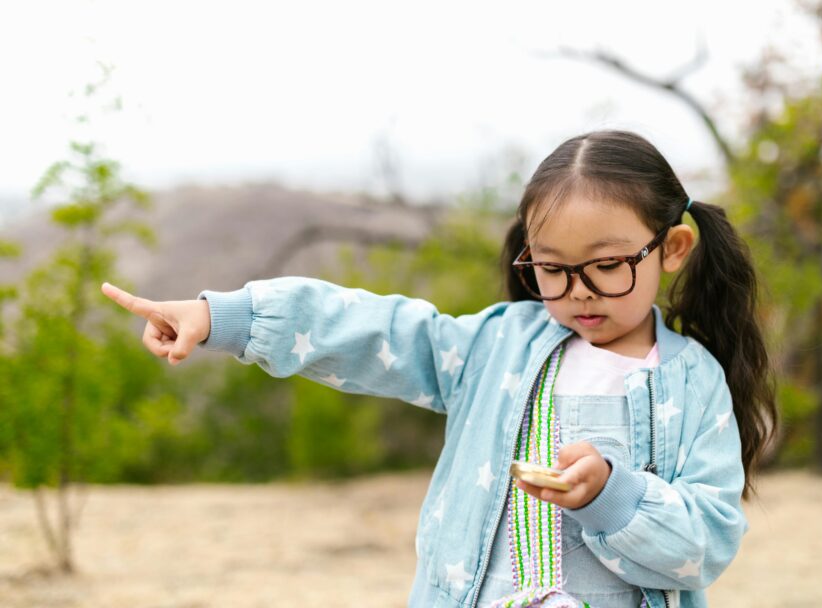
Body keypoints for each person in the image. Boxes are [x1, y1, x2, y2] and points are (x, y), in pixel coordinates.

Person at [101, 129, 777, 608]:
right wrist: (227, 319)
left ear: (674, 247)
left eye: (606, 265)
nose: (578, 290)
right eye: (551, 268)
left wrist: (611, 495)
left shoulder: (692, 381)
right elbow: (374, 330)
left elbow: (707, 541)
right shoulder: (496, 347)